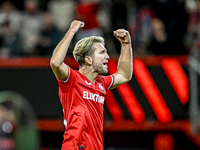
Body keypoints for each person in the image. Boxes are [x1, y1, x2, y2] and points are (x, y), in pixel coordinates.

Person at [50, 20, 133, 150]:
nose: (107, 56)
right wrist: (72, 31)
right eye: (102, 53)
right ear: (88, 59)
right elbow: (55, 62)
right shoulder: (72, 79)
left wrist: (126, 44)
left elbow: (124, 75)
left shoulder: (101, 83)